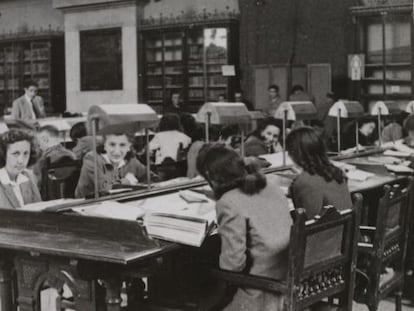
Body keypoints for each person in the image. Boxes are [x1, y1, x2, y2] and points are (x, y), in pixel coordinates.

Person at [196, 144, 292, 311]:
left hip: (262, 292)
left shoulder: (228, 202)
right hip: (288, 277)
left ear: (211, 176)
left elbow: (232, 266)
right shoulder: (271, 186)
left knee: (198, 279)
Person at [286, 127, 352, 218]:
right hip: (346, 230)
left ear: (295, 154)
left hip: (326, 231)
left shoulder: (304, 182)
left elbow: (309, 222)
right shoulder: (337, 172)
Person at [75, 133, 151, 198]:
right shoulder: (92, 158)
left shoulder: (130, 159)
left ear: (129, 147)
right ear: (105, 145)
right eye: (112, 144)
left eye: (122, 145)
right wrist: (127, 182)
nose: (117, 150)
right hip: (87, 205)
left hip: (120, 202)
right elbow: (104, 188)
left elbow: (152, 178)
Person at [0, 129, 41, 209]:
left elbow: (39, 208)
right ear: (3, 154)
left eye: (26, 153)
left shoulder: (28, 176)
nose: (21, 161)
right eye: (16, 153)